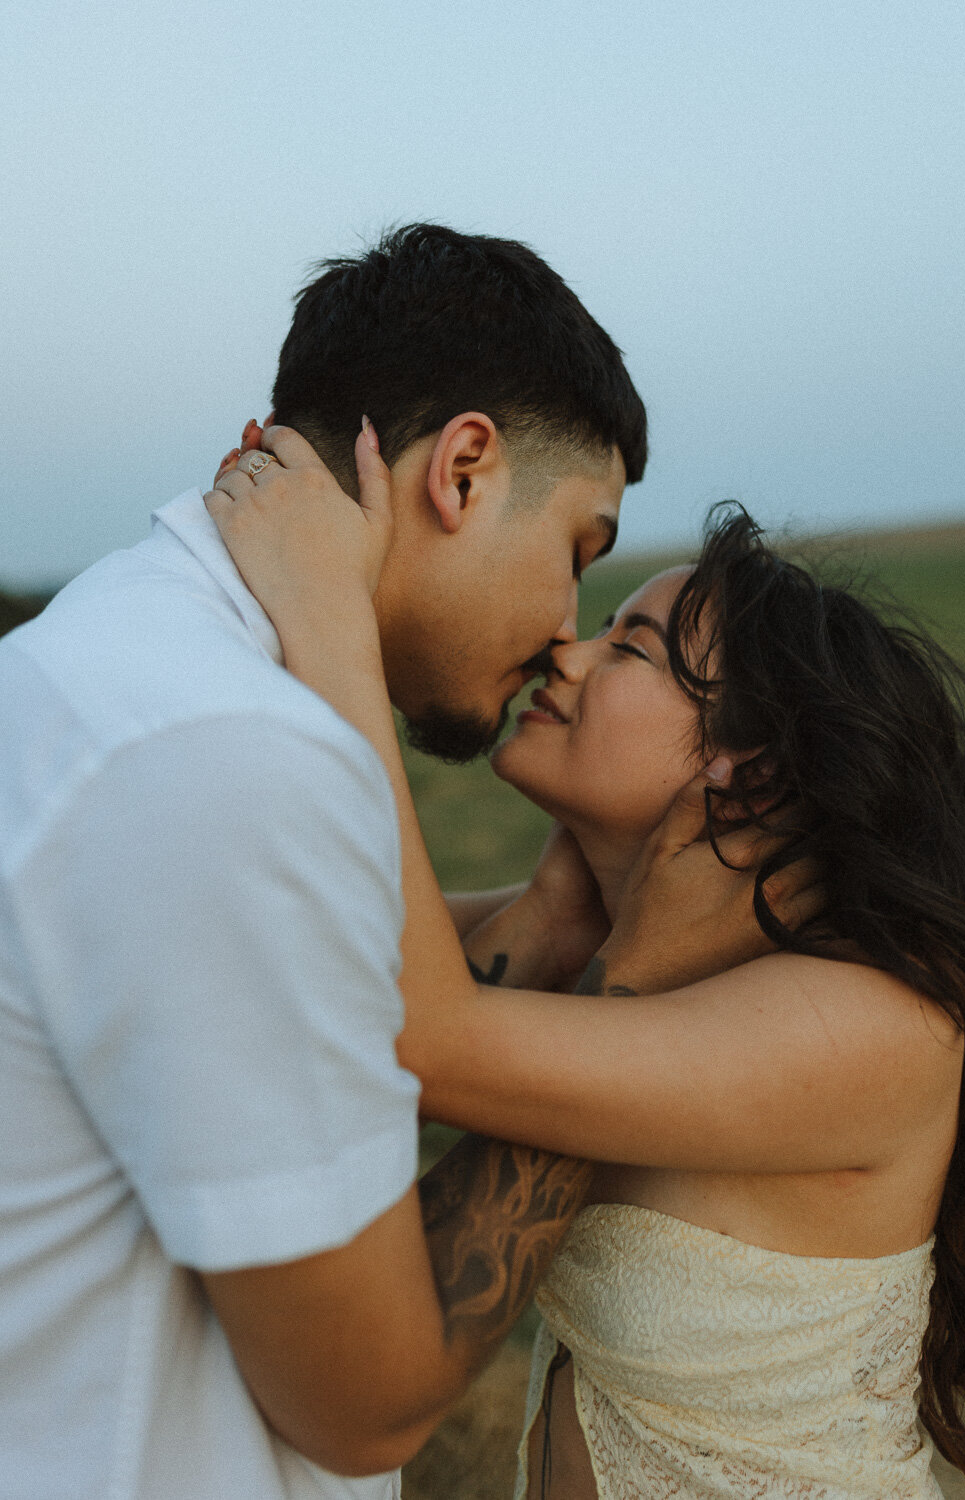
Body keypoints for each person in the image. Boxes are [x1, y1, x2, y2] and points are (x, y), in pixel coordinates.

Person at [0, 223, 727, 1500]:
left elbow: (323, 1003)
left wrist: (555, 916)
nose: (567, 628)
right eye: (578, 549)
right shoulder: (230, 760)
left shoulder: (115, 662)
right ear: (462, 468)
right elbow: (366, 1397)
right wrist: (641, 970)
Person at [206, 432, 965, 1497]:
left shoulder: (862, 1023)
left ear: (747, 769)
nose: (566, 652)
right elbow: (321, 968)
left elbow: (418, 1033)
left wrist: (331, 620)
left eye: (630, 648)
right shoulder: (610, 938)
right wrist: (549, 920)